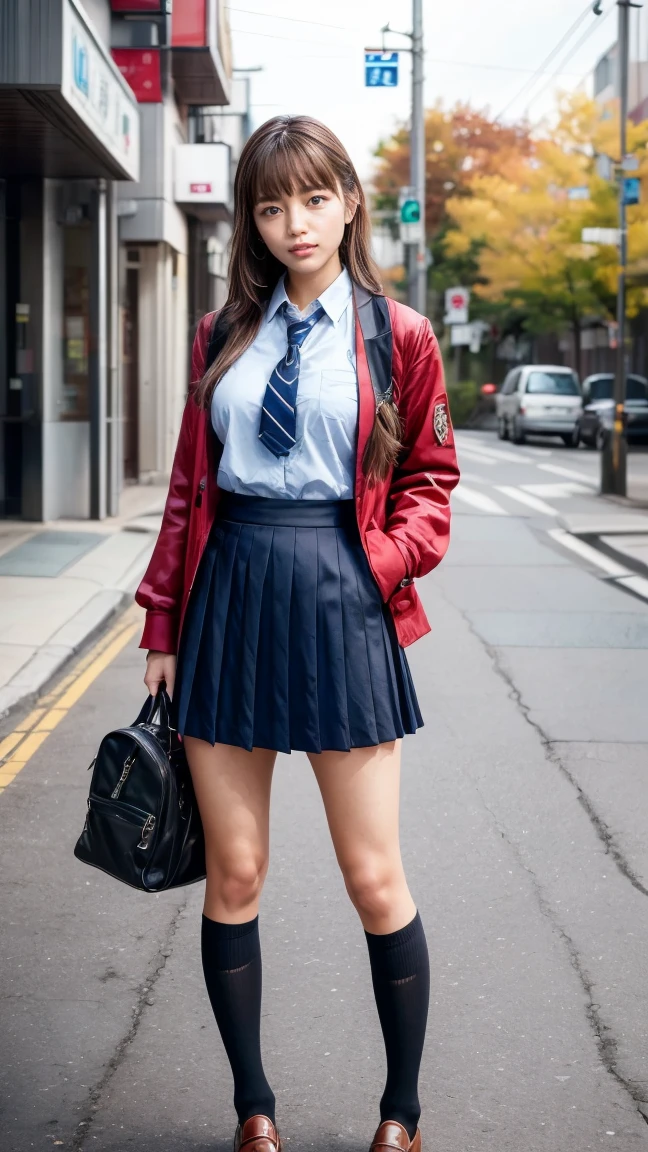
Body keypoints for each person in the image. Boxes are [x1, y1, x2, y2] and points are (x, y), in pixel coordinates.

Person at [135, 115, 459, 1152]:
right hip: (229, 592)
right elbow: (191, 489)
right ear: (253, 219)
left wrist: (381, 561)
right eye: (271, 205)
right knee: (234, 873)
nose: (294, 222)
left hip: (342, 595)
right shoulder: (219, 332)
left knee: (374, 877)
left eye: (314, 198)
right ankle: (253, 1108)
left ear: (350, 201)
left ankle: (401, 1113)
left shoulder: (399, 333)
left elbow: (433, 484)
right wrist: (162, 618)